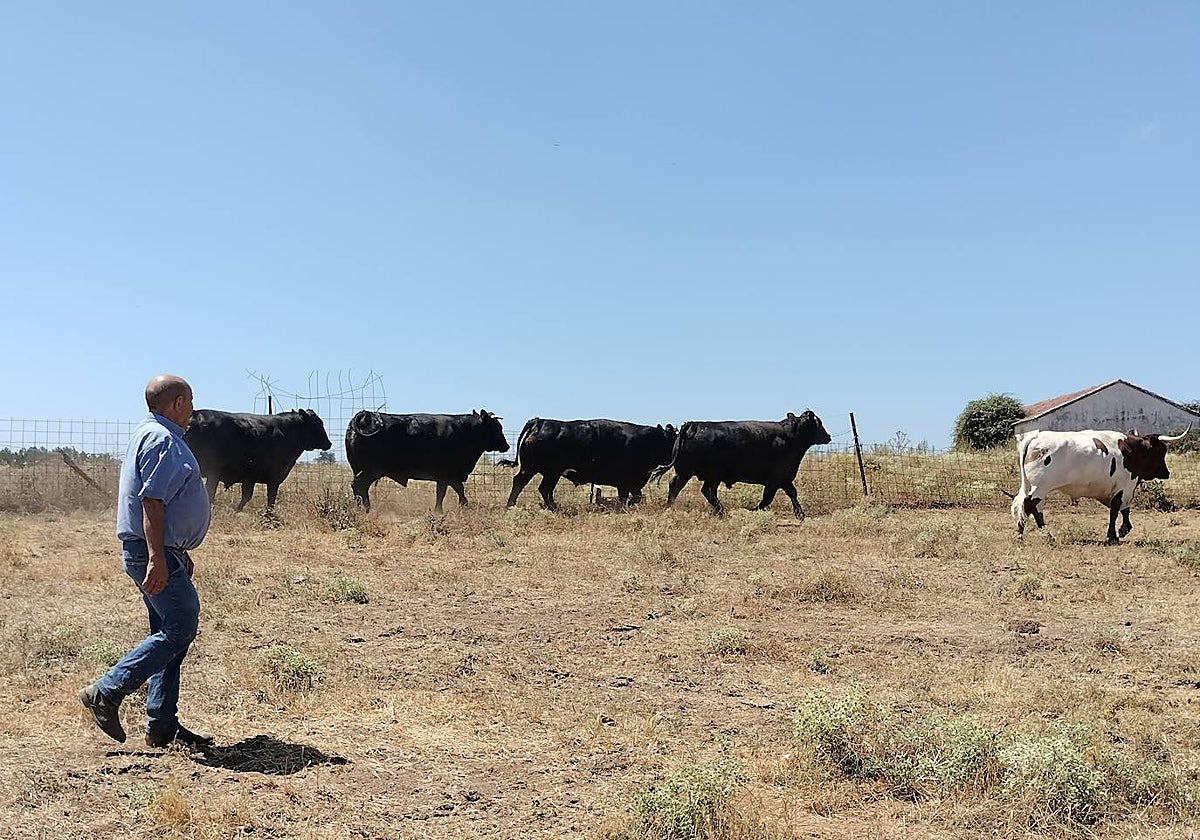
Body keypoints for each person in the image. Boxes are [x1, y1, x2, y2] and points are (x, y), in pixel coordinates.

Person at [78, 374, 214, 749]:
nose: (192, 408)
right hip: (151, 550)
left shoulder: (153, 434)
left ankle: (161, 725)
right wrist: (158, 556)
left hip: (160, 550)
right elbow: (151, 501)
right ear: (178, 402)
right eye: (190, 400)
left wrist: (175, 552)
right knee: (180, 627)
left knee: (168, 633)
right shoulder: (162, 439)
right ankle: (107, 691)